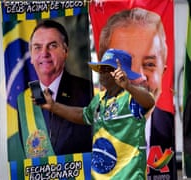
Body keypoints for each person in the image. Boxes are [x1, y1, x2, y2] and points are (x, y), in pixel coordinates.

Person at [38, 48, 155, 179]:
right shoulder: (99, 99)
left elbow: (149, 102)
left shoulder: (131, 98)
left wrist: (128, 86)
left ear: (121, 72)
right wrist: (53, 106)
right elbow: (83, 115)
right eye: (101, 69)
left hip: (128, 176)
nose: (102, 73)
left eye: (107, 69)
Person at [97, 7, 176, 176]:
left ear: (164, 71)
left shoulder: (170, 127)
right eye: (123, 65)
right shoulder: (89, 129)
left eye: (149, 64)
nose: (138, 78)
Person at [16, 20, 93, 158]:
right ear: (31, 57)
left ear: (65, 51)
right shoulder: (23, 100)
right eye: (37, 47)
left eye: (52, 46)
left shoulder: (86, 90)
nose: (44, 53)